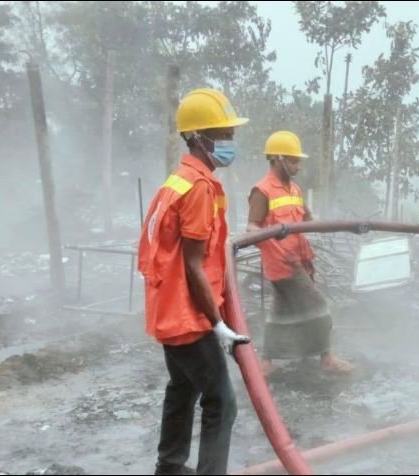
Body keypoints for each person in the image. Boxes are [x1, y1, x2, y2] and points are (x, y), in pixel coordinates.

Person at [138, 89, 251, 475]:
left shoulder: (180, 179)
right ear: (198, 137)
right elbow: (192, 264)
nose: (230, 142)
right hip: (188, 315)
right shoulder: (199, 188)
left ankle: (169, 468)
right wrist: (218, 324)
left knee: (183, 388)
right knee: (222, 402)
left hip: (169, 309)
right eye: (223, 134)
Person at [246, 131, 353, 376]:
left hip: (300, 258)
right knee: (317, 305)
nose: (298, 165)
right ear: (277, 159)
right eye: (293, 160)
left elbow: (308, 220)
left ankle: (266, 362)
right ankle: (326, 357)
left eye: (297, 161)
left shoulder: (294, 189)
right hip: (281, 261)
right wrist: (275, 232)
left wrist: (336, 224)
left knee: (282, 309)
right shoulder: (262, 191)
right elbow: (252, 227)